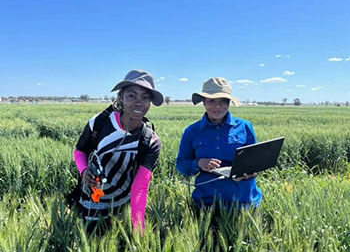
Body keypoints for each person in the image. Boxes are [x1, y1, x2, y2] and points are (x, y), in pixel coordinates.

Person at [73, 70, 163, 234]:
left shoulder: (151, 141)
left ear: (150, 102)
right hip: (92, 200)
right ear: (121, 97)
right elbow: (79, 152)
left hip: (122, 205)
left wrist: (138, 230)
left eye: (145, 97)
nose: (139, 102)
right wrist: (84, 170)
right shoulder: (99, 123)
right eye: (132, 96)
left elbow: (140, 187)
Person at [176, 77, 261, 217]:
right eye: (212, 101)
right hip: (206, 204)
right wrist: (198, 163)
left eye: (223, 101)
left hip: (244, 203)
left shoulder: (245, 127)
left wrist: (250, 172)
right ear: (203, 102)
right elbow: (181, 165)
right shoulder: (192, 131)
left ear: (229, 103)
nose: (218, 106)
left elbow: (255, 162)